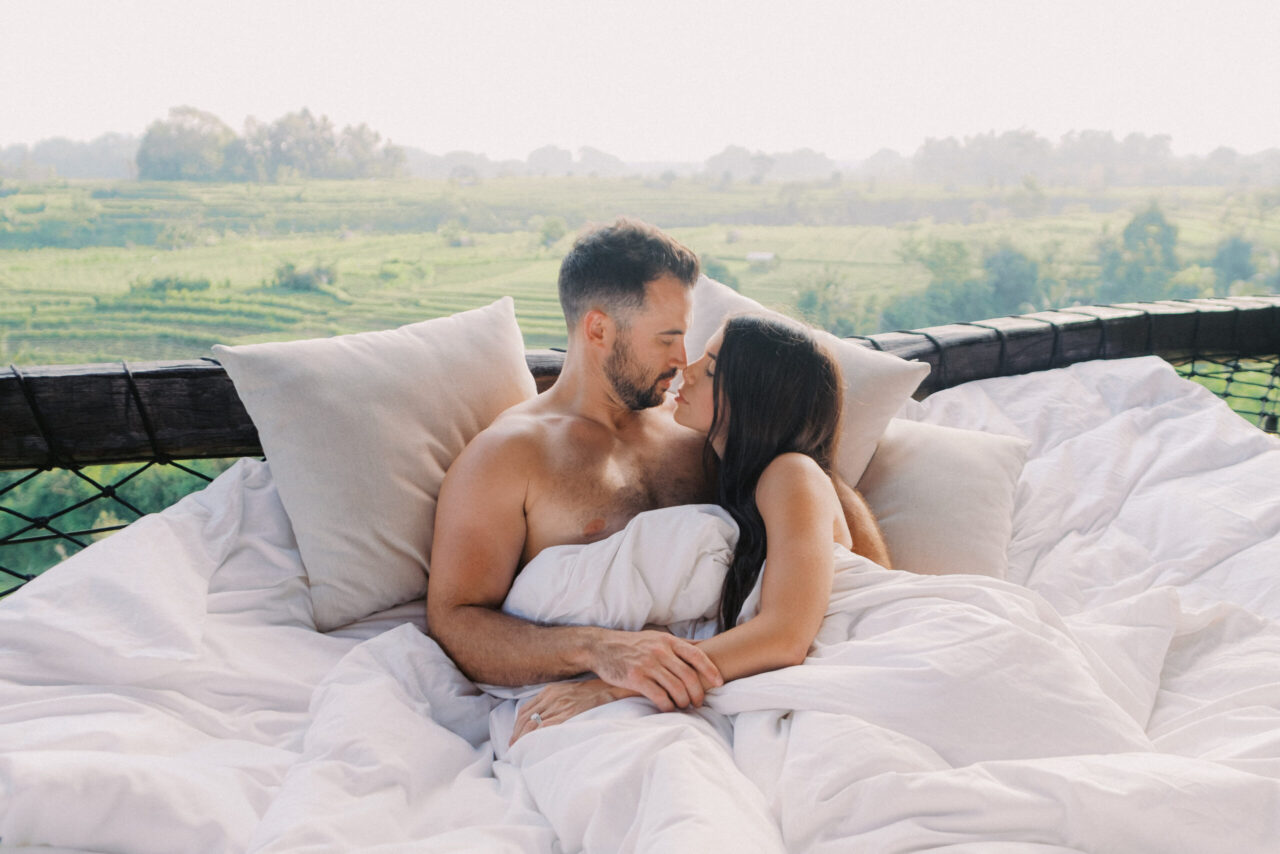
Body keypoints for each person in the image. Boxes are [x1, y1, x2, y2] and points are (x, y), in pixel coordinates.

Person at [507, 313, 891, 743]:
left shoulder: (792, 475)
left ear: (752, 397)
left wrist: (613, 687)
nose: (685, 370)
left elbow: (785, 636)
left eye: (709, 368)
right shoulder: (740, 476)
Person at [427, 218, 726, 714]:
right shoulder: (510, 456)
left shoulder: (693, 425)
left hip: (724, 674)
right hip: (595, 707)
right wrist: (600, 649)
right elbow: (457, 621)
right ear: (599, 329)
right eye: (666, 339)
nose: (683, 359)